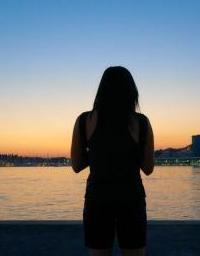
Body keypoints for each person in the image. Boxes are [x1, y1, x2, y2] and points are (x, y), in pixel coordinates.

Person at [71, 66, 155, 256]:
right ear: (132, 92)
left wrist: (98, 154)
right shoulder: (141, 122)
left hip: (98, 199)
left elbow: (77, 165)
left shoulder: (85, 120)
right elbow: (148, 168)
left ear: (101, 90)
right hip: (131, 199)